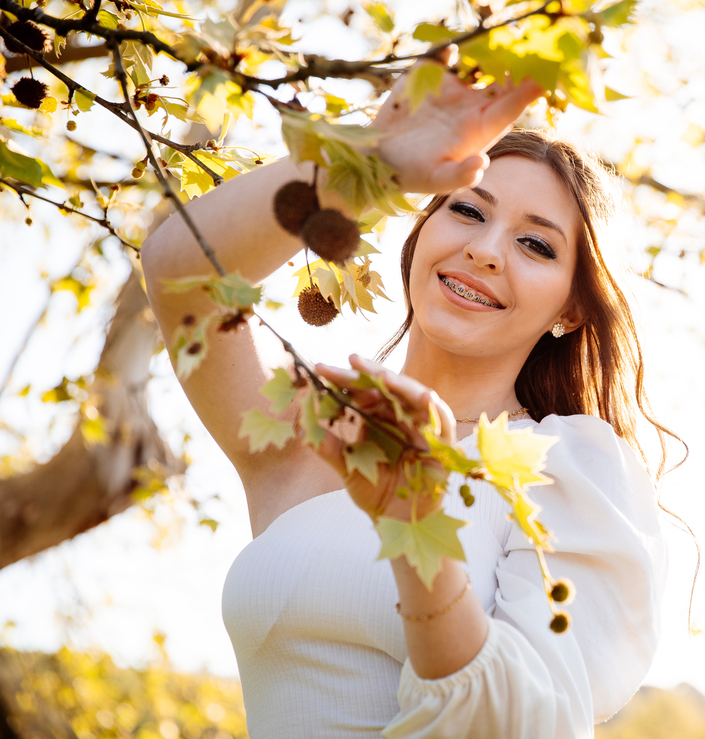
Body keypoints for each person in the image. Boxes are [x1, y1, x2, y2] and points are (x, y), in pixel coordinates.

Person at [140, 70, 674, 738]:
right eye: (468, 210)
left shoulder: (569, 467)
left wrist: (415, 522)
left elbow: (526, 723)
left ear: (570, 308)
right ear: (420, 233)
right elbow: (179, 270)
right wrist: (369, 159)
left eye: (535, 244)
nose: (484, 250)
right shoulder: (311, 436)